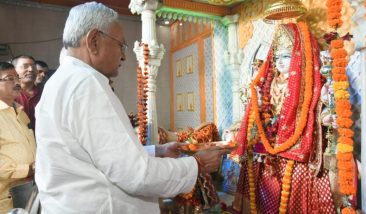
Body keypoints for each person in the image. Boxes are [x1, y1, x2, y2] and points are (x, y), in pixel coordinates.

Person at [35, 2, 227, 213]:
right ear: (94, 41)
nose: (124, 56)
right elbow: (135, 175)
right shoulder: (85, 84)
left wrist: (158, 151)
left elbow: (103, 156)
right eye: (121, 45)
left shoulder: (62, 81)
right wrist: (197, 164)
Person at [232, 23, 336, 213]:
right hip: (269, 137)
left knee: (291, 179)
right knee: (259, 180)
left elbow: (316, 109)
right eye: (277, 57)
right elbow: (263, 107)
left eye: (286, 56)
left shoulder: (307, 84)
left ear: (298, 58)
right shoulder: (269, 82)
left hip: (293, 140)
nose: (280, 62)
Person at [0, 62, 36, 213]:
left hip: (27, 193)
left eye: (16, 77)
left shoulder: (19, 111)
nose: (16, 82)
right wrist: (26, 170)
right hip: (5, 201)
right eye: (9, 78)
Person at [11, 55, 41, 130]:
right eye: (25, 66)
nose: (31, 69)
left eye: (34, 67)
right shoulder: (7, 95)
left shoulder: (44, 93)